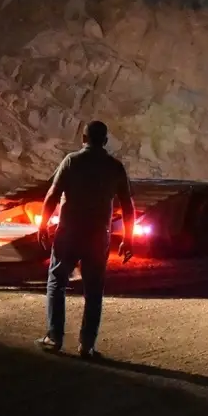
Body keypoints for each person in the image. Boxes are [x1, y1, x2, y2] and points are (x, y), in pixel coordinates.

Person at [35, 120, 135, 359]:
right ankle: (87, 345)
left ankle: (54, 337)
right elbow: (128, 206)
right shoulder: (115, 167)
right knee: (93, 291)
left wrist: (43, 224)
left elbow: (53, 194)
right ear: (105, 141)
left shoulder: (72, 161)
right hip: (97, 236)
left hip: (69, 233)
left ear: (83, 138)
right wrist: (128, 239)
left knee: (57, 282)